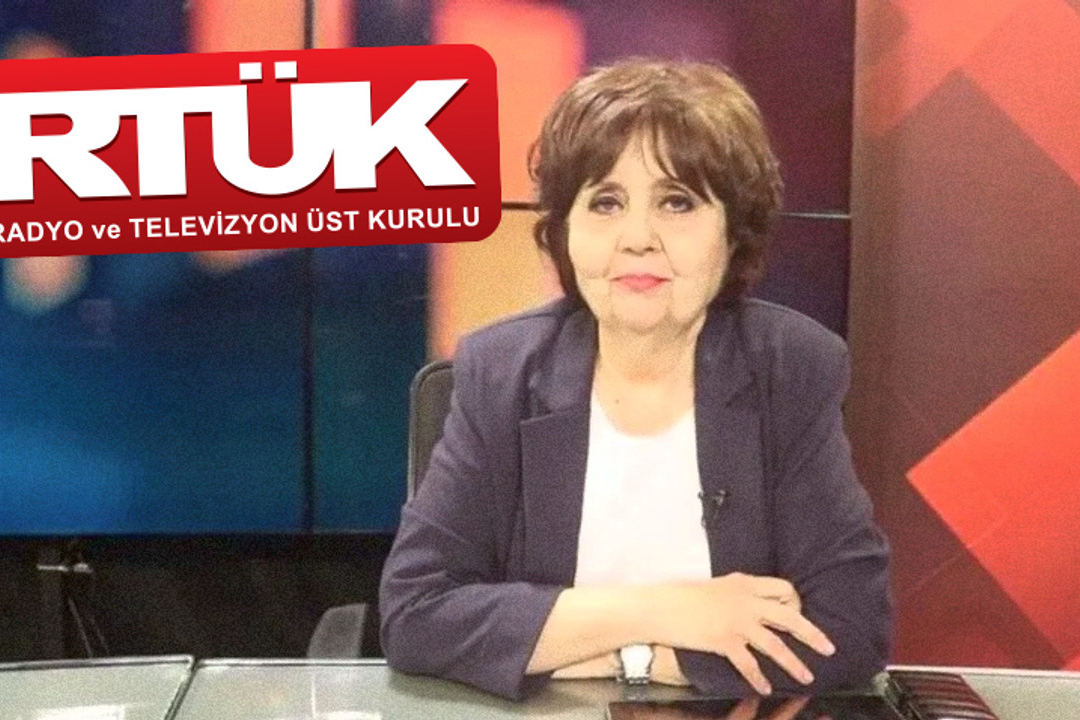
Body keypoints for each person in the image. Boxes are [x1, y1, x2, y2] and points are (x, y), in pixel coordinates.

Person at [378, 58, 891, 701]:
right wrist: (665, 613)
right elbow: (417, 616)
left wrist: (612, 654)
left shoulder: (791, 368)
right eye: (606, 203)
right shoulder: (501, 372)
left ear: (733, 234)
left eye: (677, 202)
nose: (638, 238)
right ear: (565, 232)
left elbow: (849, 627)